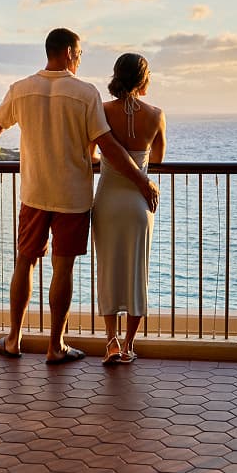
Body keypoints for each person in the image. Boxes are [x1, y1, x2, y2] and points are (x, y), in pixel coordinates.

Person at [0, 29, 159, 364]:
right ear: (68, 52)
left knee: (25, 262)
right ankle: (56, 346)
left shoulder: (21, 89)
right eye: (79, 54)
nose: (80, 59)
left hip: (35, 192)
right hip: (72, 196)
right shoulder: (85, 93)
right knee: (62, 269)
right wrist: (142, 180)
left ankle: (13, 339)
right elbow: (108, 145)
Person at [92, 53, 166, 364]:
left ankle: (110, 341)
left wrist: (107, 161)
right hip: (139, 202)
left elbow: (91, 154)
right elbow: (157, 159)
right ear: (143, 79)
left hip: (108, 201)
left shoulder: (102, 111)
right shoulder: (156, 115)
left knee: (108, 271)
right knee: (137, 273)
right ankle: (128, 346)